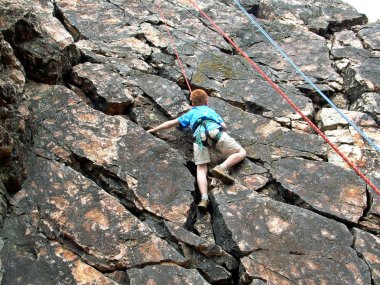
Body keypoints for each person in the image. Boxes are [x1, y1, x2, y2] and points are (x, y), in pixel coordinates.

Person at [148, 89, 246, 208]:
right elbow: (224, 126)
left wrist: (154, 130)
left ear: (192, 103)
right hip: (215, 132)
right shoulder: (210, 110)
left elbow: (171, 123)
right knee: (241, 152)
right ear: (207, 101)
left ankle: (204, 198)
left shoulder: (190, 113)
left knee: (201, 168)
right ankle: (222, 167)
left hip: (199, 137)